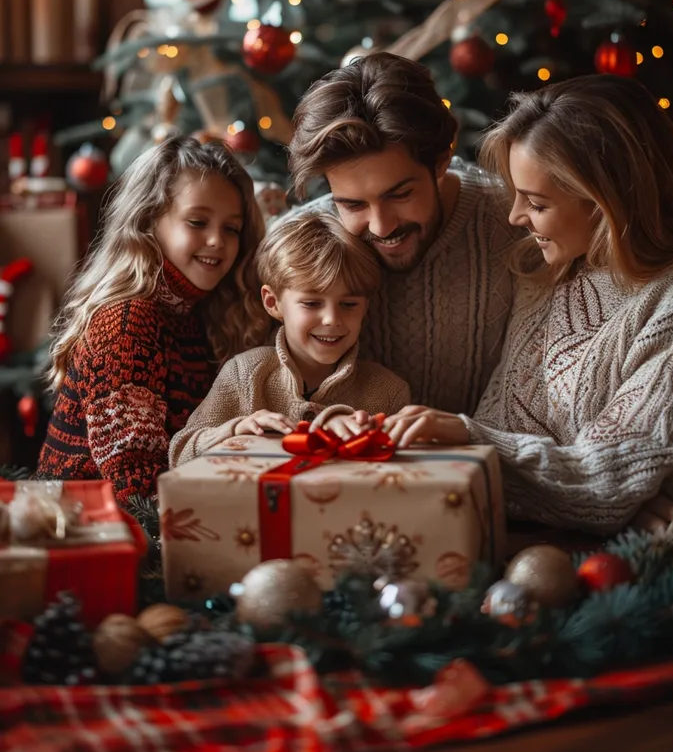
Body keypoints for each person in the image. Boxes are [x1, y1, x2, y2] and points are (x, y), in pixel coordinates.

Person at [385, 74, 673, 534]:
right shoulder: (548, 269)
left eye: (536, 203)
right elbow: (509, 430)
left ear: (605, 203)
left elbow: (612, 481)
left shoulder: (671, 306)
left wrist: (614, 496)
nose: (514, 216)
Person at [287, 51, 517, 427]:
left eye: (399, 195)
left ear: (441, 161)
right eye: (352, 204)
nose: (379, 226)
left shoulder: (515, 222)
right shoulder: (300, 243)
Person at [38, 136, 270, 505]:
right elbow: (135, 491)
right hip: (86, 530)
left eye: (232, 229)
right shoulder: (126, 321)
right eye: (197, 221)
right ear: (148, 222)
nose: (217, 240)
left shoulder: (196, 317)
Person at [169, 210, 411, 465]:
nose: (331, 319)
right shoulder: (244, 374)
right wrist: (235, 431)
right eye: (311, 303)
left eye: (349, 304)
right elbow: (179, 455)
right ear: (273, 303)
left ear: (366, 307)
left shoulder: (389, 392)